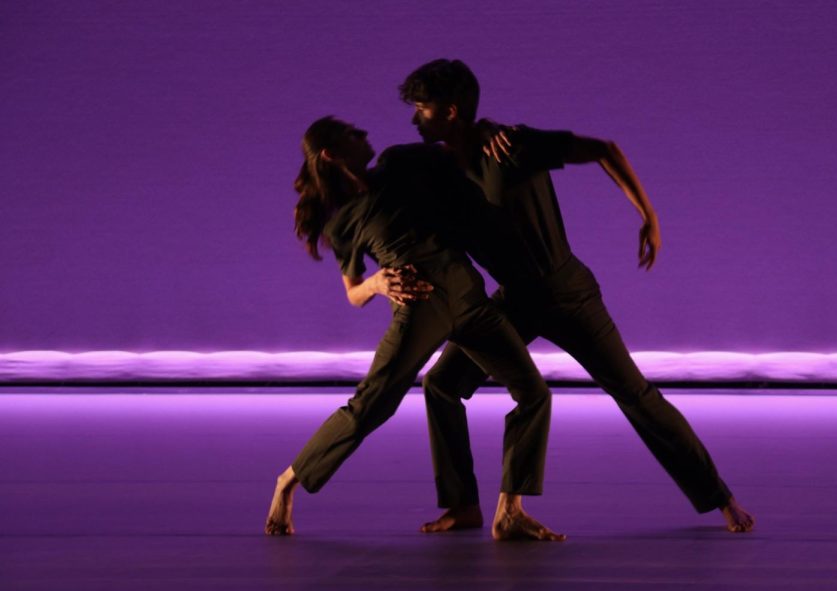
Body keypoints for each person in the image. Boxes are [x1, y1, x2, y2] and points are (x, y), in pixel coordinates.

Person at [399, 59, 755, 534]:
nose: (414, 118)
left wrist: (647, 215)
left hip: (566, 293)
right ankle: (464, 506)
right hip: (514, 301)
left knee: (635, 394)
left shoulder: (513, 144)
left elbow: (603, 149)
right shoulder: (440, 171)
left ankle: (721, 497)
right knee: (441, 384)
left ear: (451, 110)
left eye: (422, 108)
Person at [265, 116, 565, 541]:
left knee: (534, 393)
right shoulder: (343, 219)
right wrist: (376, 283)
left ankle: (507, 512)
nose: (365, 133)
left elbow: (458, 149)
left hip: (467, 295)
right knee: (372, 405)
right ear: (331, 154)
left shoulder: (400, 162)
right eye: (353, 133)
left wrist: (489, 131)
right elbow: (353, 291)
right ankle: (288, 481)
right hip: (418, 308)